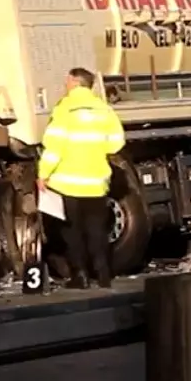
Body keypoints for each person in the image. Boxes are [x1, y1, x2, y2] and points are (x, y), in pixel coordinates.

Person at [37, 67, 125, 289]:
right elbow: (116, 143)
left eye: (67, 81)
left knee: (72, 233)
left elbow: (54, 148)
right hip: (96, 183)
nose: (65, 85)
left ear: (75, 83)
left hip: (68, 184)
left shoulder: (64, 111)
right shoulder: (105, 111)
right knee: (97, 231)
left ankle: (80, 276)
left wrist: (43, 174)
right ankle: (104, 276)